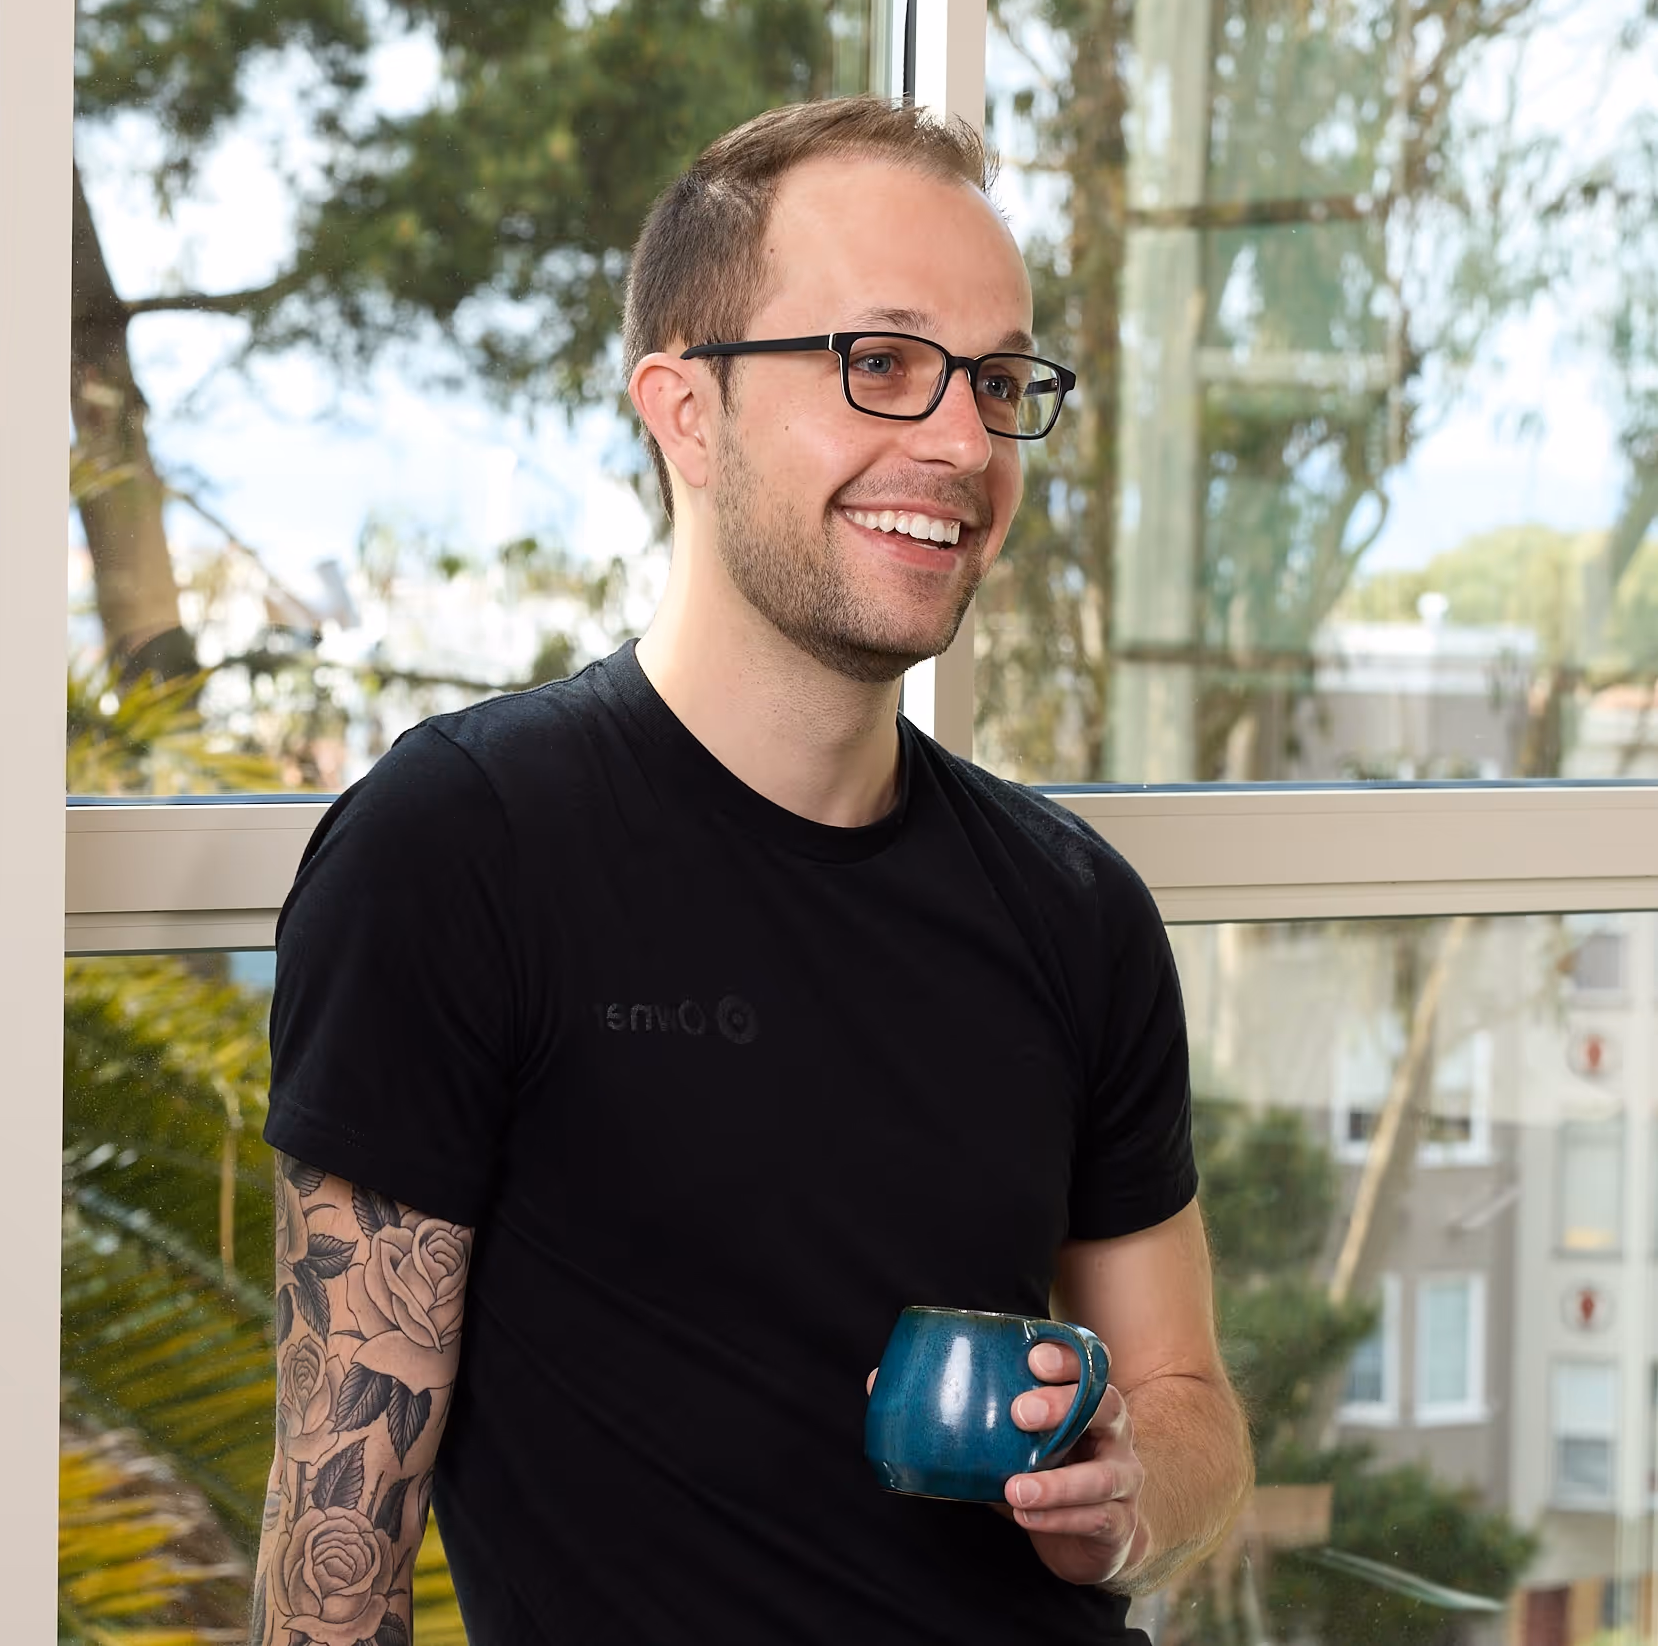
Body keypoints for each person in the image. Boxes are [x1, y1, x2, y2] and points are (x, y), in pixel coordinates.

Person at [254, 94, 1252, 1646]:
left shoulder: (1076, 910)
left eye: (997, 381)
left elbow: (1196, 1412)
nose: (962, 441)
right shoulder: (461, 846)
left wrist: (1129, 1486)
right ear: (685, 411)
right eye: (881, 362)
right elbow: (334, 1566)